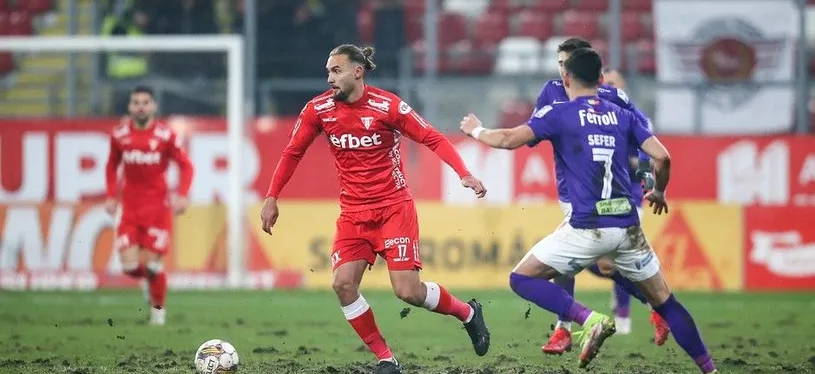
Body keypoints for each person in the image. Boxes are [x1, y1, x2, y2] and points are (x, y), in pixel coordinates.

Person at [459, 48, 718, 373]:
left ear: (566, 77)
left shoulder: (559, 113)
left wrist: (475, 130)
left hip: (587, 226)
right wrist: (660, 191)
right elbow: (663, 157)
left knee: (521, 279)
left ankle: (587, 320)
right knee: (667, 302)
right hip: (628, 226)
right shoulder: (621, 115)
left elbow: (509, 139)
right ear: (600, 79)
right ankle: (711, 369)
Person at [260, 44, 491, 374]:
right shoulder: (319, 110)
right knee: (342, 284)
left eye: (336, 71)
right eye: (327, 72)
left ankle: (468, 314)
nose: (329, 79)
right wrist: (272, 196)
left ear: (357, 71)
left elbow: (432, 138)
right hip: (353, 214)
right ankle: (386, 359)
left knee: (408, 292)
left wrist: (464, 173)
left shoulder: (388, 106)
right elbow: (292, 152)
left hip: (393, 209)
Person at [531, 39, 669, 352]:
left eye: (567, 64)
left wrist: (642, 169)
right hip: (573, 191)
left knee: (563, 264)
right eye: (560, 65)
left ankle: (564, 330)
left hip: (615, 195)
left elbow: (644, 133)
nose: (563, 71)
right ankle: (657, 307)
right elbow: (537, 129)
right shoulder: (550, 92)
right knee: (605, 266)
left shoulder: (613, 97)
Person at [104, 85, 194, 325]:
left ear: (153, 106)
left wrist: (183, 195)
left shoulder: (166, 136)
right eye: (136, 102)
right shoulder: (119, 135)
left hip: (158, 210)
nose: (141, 106)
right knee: (130, 265)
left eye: (145, 102)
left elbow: (186, 166)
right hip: (130, 210)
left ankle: (158, 312)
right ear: (130, 106)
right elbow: (112, 166)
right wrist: (112, 196)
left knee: (154, 265)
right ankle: (150, 284)